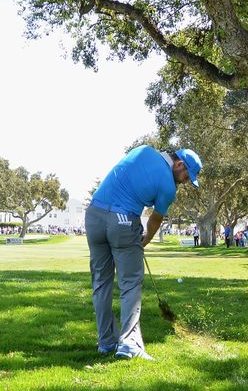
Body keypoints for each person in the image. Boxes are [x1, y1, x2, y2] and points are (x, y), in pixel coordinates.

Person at [85, 146, 202, 360]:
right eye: (187, 176)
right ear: (179, 164)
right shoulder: (168, 187)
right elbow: (155, 220)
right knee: (130, 283)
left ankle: (106, 343)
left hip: (93, 216)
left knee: (101, 283)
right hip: (122, 220)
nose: (185, 182)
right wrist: (144, 240)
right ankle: (129, 345)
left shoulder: (143, 150)